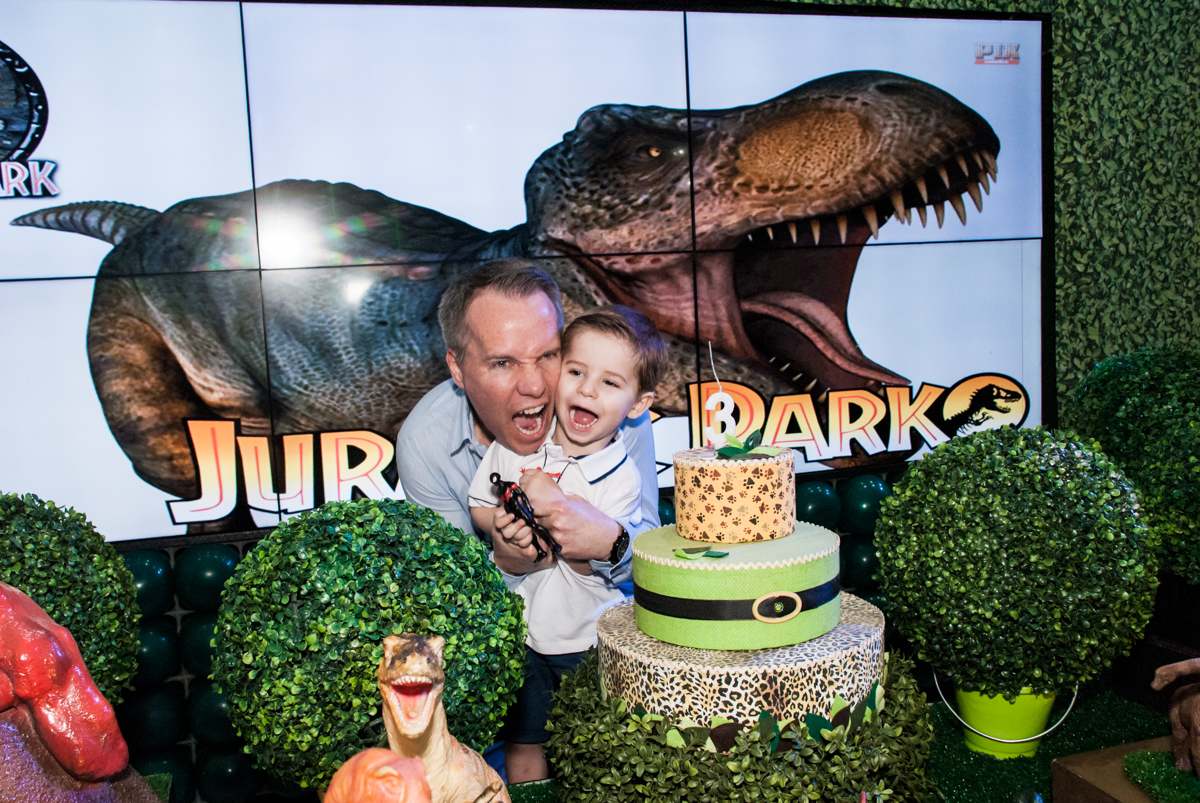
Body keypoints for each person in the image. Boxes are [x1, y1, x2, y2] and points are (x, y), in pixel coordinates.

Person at [394, 259, 662, 778]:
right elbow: (452, 600)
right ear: (457, 369)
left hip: (600, 639)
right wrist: (505, 563)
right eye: (503, 362)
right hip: (515, 653)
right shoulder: (425, 443)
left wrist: (610, 543)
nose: (536, 386)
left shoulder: (614, 409)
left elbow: (650, 556)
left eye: (548, 355)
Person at [466, 307, 667, 781]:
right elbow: (478, 507)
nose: (588, 390)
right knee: (523, 743)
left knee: (596, 743)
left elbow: (591, 564)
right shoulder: (517, 444)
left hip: (587, 639)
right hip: (520, 635)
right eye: (576, 372)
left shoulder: (621, 478)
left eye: (610, 382)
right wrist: (504, 526)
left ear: (637, 405)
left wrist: (554, 513)